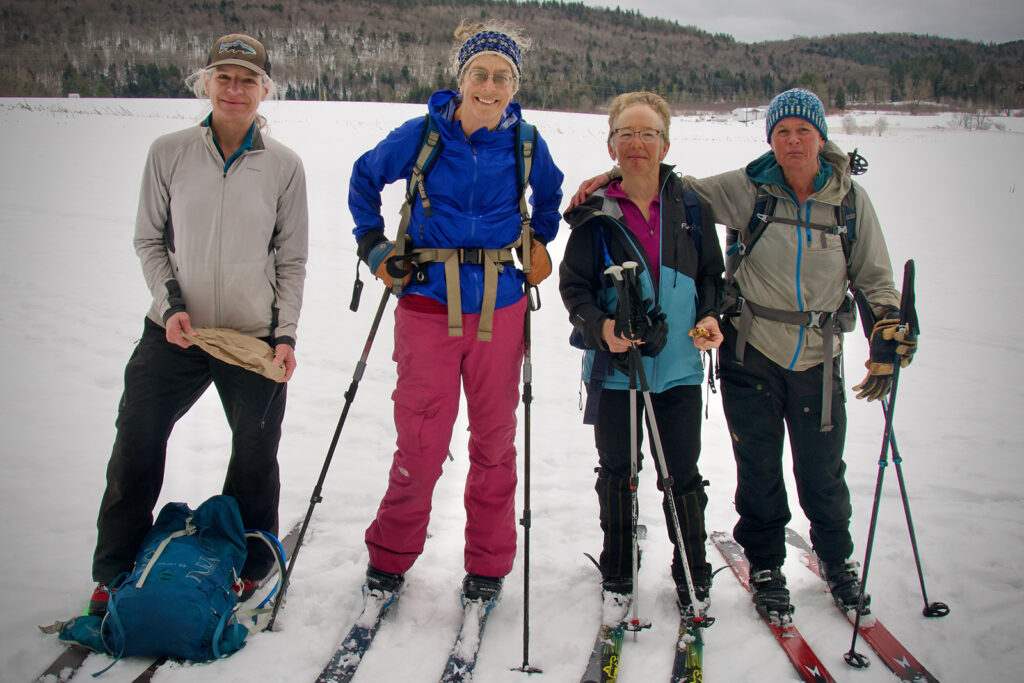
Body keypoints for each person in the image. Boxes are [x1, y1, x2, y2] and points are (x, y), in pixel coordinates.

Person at [572, 88, 916, 622]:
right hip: (751, 350)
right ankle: (766, 564)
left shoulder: (850, 202)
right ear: (770, 139)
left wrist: (888, 324)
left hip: (818, 355)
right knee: (757, 466)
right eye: (782, 132)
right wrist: (607, 181)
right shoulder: (748, 188)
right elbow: (663, 185)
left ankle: (836, 560)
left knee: (823, 468)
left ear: (822, 136)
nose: (793, 140)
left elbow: (874, 276)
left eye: (804, 130)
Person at [88, 33, 308, 615]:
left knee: (256, 454)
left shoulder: (284, 167)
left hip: (251, 336)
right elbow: (149, 240)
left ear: (265, 90)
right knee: (136, 439)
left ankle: (250, 564)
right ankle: (114, 569)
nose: (235, 90)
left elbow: (291, 259)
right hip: (175, 331)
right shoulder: (169, 151)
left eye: (248, 80)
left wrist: (284, 336)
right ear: (206, 82)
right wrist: (171, 303)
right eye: (224, 77)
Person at [348, 21, 563, 603]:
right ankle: (391, 555)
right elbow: (364, 179)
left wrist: (538, 240)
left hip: (502, 305)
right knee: (419, 437)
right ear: (460, 77)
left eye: (502, 77)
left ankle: (488, 565)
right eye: (480, 74)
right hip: (425, 302)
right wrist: (374, 248)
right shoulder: (423, 135)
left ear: (513, 86)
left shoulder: (526, 144)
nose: (489, 86)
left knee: (494, 443)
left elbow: (552, 195)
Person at [558, 92, 724, 617]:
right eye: (626, 135)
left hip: (677, 370)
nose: (637, 144)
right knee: (618, 470)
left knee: (682, 472)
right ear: (611, 144)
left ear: (665, 143)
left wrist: (711, 317)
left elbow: (712, 279)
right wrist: (600, 327)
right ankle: (619, 567)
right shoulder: (595, 212)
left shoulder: (693, 206)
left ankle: (692, 568)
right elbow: (573, 288)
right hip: (614, 372)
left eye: (648, 134)